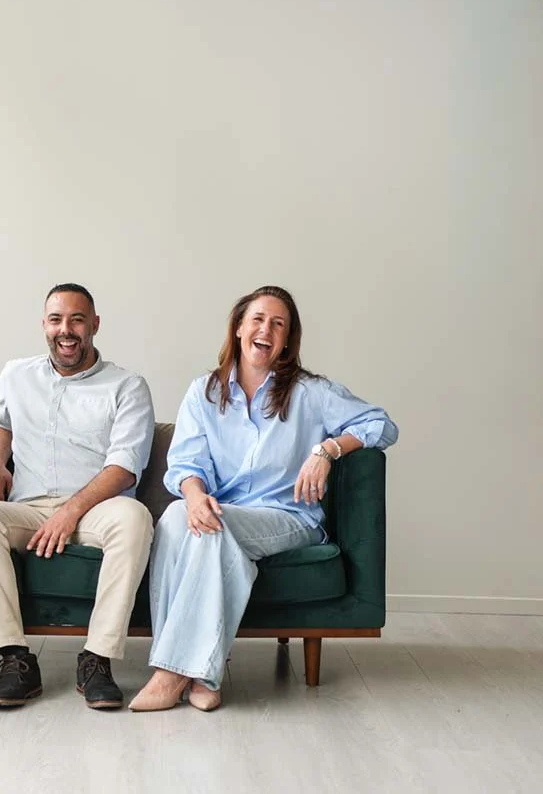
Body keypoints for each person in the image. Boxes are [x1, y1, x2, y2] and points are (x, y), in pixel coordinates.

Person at [130, 285, 399, 713]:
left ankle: (170, 674)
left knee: (211, 528)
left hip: (288, 517)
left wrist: (327, 451)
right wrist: (195, 496)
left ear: (288, 340)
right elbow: (184, 465)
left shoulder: (312, 392)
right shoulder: (204, 392)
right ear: (238, 328)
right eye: (257, 319)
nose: (266, 330)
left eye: (279, 324)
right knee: (180, 519)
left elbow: (382, 424)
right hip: (223, 513)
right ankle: (205, 674)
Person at [0, 284, 155, 711]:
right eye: (56, 320)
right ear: (44, 325)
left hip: (96, 511)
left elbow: (124, 467)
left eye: (77, 320)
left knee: (136, 517)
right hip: (27, 508)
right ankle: (14, 659)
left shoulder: (127, 386)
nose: (66, 331)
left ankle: (97, 659)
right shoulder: (16, 373)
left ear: (95, 325)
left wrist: (70, 512)